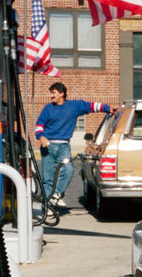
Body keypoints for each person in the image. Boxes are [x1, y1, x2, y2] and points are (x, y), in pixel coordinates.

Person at [34, 81, 111, 210]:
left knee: (68, 170)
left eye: (53, 93)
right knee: (48, 179)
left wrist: (108, 109)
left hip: (63, 146)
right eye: (51, 93)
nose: (51, 96)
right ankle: (47, 209)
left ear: (62, 93)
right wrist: (40, 137)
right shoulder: (48, 108)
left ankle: (56, 194)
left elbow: (91, 106)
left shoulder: (74, 106)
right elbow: (39, 125)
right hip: (47, 147)